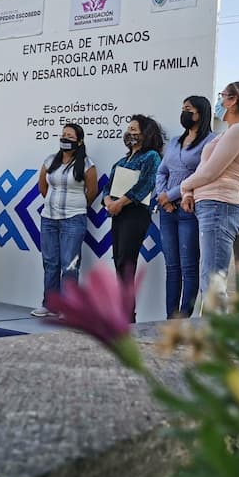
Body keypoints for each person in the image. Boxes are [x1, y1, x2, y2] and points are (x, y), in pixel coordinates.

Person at [180, 81, 239, 311]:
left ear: (233, 100)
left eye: (222, 96)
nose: (219, 102)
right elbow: (203, 169)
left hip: (220, 207)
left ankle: (215, 341)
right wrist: (189, 191)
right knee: (208, 279)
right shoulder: (230, 132)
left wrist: (183, 187)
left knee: (212, 283)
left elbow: (210, 172)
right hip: (212, 206)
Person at [155, 95, 214, 319]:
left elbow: (201, 176)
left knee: (189, 267)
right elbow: (162, 171)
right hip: (167, 211)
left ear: (201, 113)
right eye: (183, 108)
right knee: (172, 266)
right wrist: (163, 197)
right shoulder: (174, 142)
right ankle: (171, 319)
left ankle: (185, 318)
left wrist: (170, 195)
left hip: (190, 209)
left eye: (188, 109)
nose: (184, 112)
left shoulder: (211, 142)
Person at [31, 123, 98, 317]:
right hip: (49, 218)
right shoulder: (50, 160)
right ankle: (50, 304)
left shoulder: (87, 164)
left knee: (69, 264)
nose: (65, 139)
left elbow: (91, 192)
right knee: (50, 262)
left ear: (79, 141)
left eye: (69, 136)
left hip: (74, 218)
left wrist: (74, 206)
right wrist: (52, 204)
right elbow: (42, 186)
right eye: (63, 135)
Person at [102, 114, 164, 321]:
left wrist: (120, 202)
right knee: (119, 260)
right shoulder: (122, 160)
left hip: (135, 213)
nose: (130, 133)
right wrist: (108, 201)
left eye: (135, 129)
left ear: (146, 133)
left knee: (128, 262)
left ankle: (128, 316)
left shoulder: (152, 157)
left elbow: (145, 184)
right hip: (117, 213)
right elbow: (107, 186)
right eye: (129, 129)